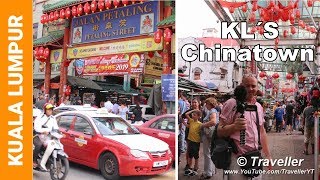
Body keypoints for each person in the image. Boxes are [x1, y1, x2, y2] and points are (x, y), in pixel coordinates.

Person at [217, 75, 271, 180]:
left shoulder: (258, 107)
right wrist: (233, 127)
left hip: (255, 156)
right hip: (236, 156)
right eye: (247, 86)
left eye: (253, 86)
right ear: (242, 86)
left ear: (257, 87)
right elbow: (219, 131)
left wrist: (268, 155)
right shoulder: (232, 103)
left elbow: (262, 132)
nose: (250, 89)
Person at [33, 103, 59, 171]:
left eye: (51, 109)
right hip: (38, 135)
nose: (50, 111)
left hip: (48, 137)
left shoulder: (53, 118)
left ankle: (45, 163)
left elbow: (56, 128)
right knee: (39, 145)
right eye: (48, 109)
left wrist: (58, 132)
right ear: (45, 110)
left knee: (53, 145)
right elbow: (36, 128)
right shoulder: (40, 117)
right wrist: (43, 131)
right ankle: (34, 161)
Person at [200, 97, 219, 179]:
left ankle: (208, 172)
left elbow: (213, 121)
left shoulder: (212, 111)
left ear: (210, 104)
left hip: (208, 135)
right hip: (210, 135)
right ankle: (211, 171)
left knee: (207, 153)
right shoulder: (211, 111)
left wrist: (203, 125)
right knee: (210, 153)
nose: (205, 105)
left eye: (206, 103)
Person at [181, 98, 201, 173]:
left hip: (198, 134)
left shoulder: (201, 111)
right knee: (189, 149)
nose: (194, 104)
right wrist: (186, 124)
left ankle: (196, 166)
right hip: (189, 132)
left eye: (195, 102)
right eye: (193, 102)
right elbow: (182, 116)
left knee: (196, 150)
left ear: (199, 103)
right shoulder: (189, 111)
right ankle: (188, 164)